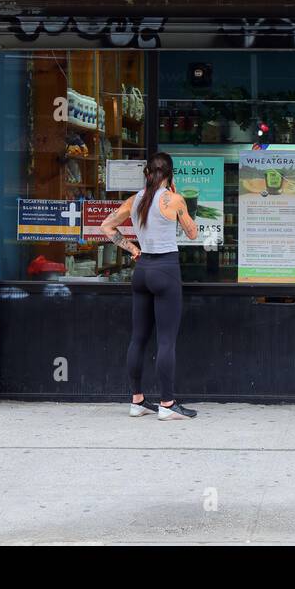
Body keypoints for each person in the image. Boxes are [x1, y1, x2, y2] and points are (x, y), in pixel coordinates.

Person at [100, 152, 199, 420]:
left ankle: (137, 401)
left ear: (146, 173)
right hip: (166, 270)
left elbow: (107, 226)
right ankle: (167, 404)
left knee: (138, 338)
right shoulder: (174, 200)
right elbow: (192, 232)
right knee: (166, 340)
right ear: (170, 174)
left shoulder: (135, 200)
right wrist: (179, 200)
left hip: (142, 270)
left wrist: (133, 249)